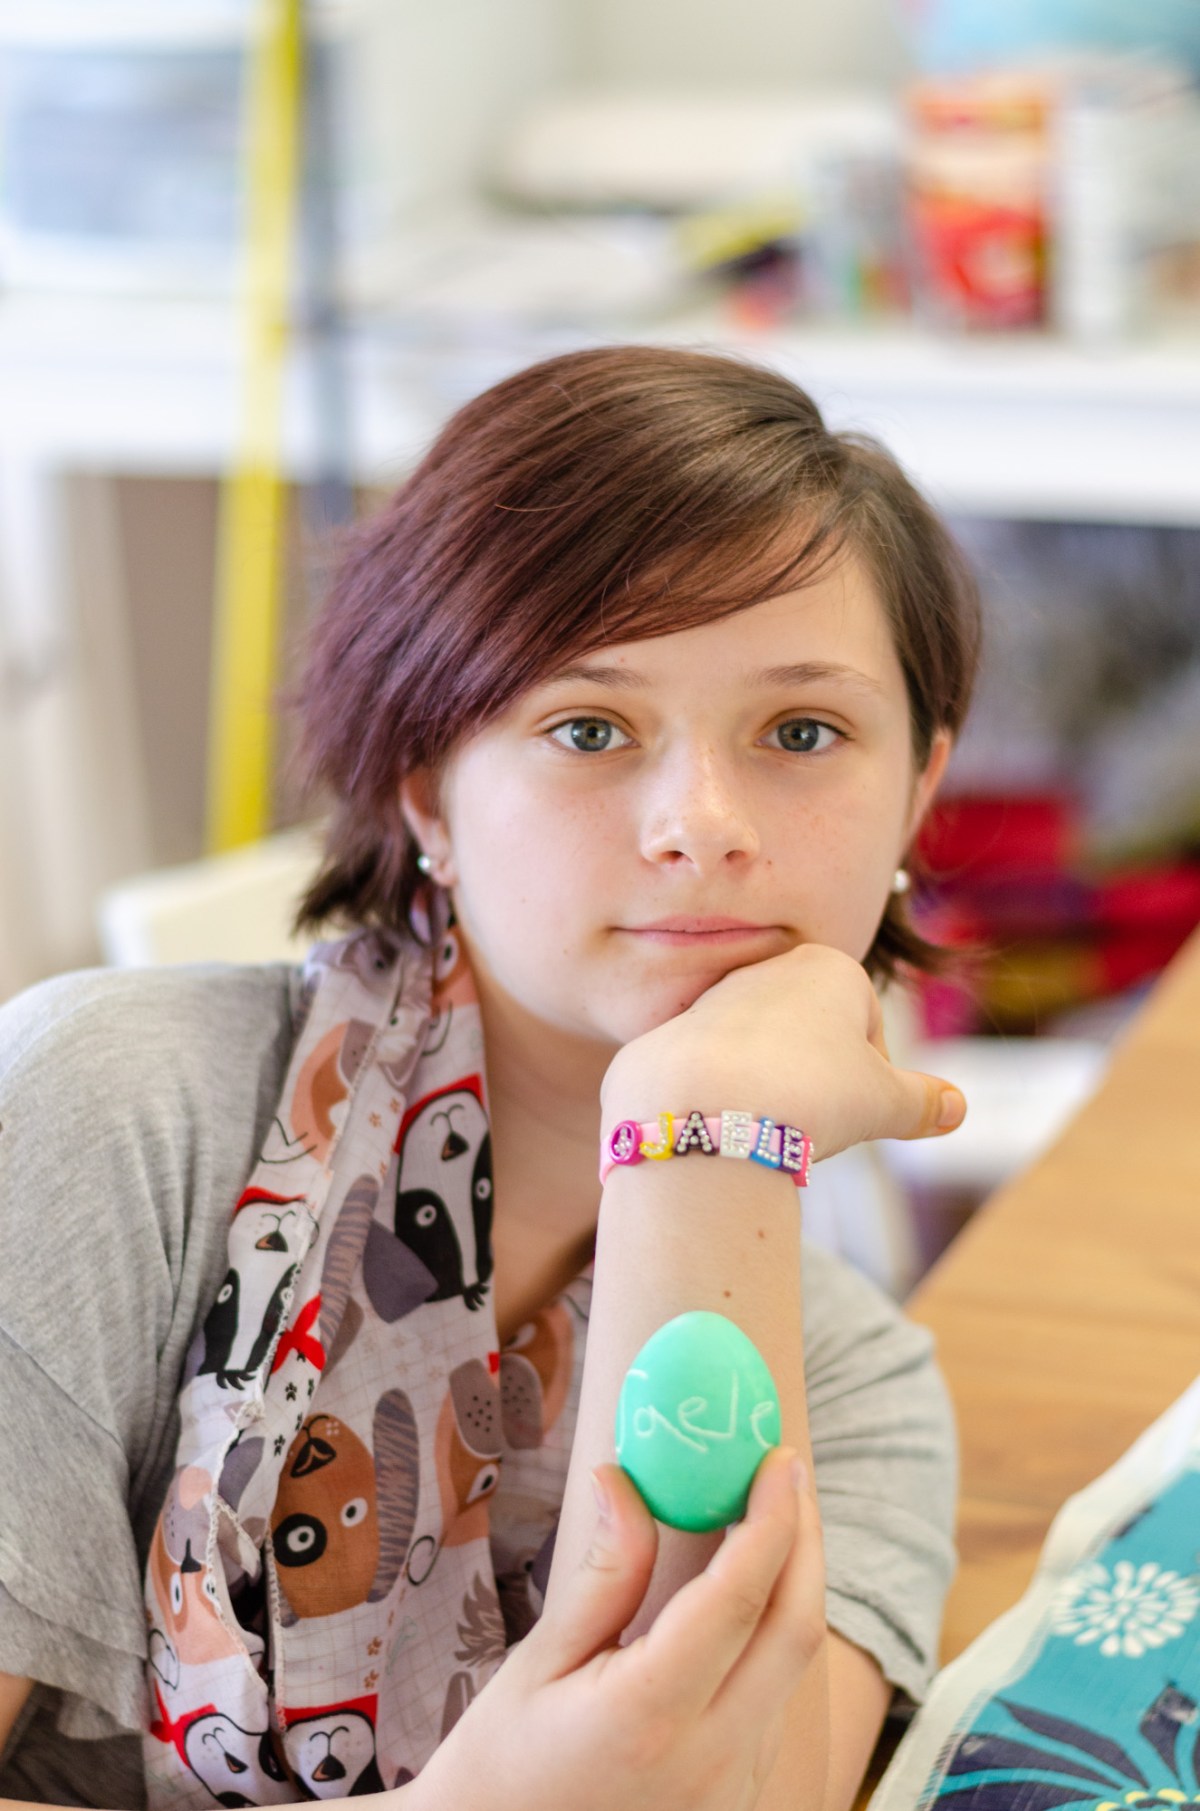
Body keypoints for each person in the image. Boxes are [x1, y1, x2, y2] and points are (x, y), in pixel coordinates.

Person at [0, 346, 980, 1811]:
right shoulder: (111, 1116)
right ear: (428, 794)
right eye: (588, 728)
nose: (701, 823)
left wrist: (699, 1142)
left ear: (917, 790)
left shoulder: (853, 1385)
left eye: (802, 731)